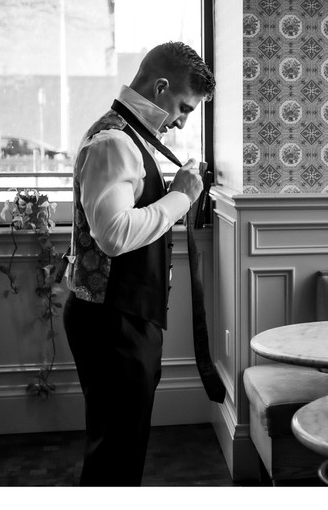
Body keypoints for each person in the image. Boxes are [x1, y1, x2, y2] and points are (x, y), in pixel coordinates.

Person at [63, 41, 215, 486]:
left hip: (125, 317)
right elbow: (113, 236)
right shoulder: (114, 142)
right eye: (184, 108)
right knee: (115, 452)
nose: (183, 121)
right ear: (161, 87)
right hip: (111, 322)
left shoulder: (130, 139)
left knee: (123, 446)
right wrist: (181, 197)